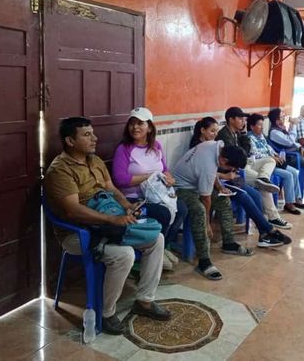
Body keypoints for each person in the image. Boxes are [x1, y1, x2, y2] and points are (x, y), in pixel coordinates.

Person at [44, 117, 171, 335]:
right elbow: (73, 211)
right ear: (70, 141)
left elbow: (111, 188)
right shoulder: (60, 170)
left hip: (107, 223)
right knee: (125, 255)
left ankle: (145, 300)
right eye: (87, 135)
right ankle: (106, 312)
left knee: (156, 239)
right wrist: (112, 220)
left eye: (93, 133)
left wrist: (127, 207)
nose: (94, 138)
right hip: (79, 233)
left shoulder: (94, 161)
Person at [173, 141, 289, 281]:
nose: (232, 171)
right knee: (199, 211)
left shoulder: (216, 146)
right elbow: (205, 198)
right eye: (231, 168)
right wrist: (207, 224)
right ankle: (204, 261)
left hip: (196, 184)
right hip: (182, 188)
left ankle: (228, 243)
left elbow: (212, 174)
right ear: (224, 160)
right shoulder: (208, 164)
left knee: (224, 200)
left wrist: (220, 188)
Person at [112, 107, 188, 270]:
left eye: (140, 123)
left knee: (182, 208)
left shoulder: (156, 146)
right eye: (132, 123)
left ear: (150, 128)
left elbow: (165, 169)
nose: (135, 127)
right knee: (163, 213)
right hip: (134, 200)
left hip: (157, 195)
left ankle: (163, 247)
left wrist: (169, 178)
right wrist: (149, 176)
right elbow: (120, 179)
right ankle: (149, 255)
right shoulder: (124, 149)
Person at [191, 117, 296, 229]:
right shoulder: (203, 147)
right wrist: (225, 176)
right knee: (251, 194)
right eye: (212, 131)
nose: (216, 134)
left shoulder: (226, 138)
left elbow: (241, 154)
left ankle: (263, 180)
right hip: (222, 179)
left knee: (267, 168)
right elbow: (211, 170)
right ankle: (267, 225)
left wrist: (243, 136)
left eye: (216, 131)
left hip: (232, 173)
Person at [247, 113, 304, 221]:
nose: (262, 127)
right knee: (288, 175)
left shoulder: (261, 136)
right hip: (263, 165)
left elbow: (268, 148)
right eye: (259, 125)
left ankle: (297, 199)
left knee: (294, 171)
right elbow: (254, 154)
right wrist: (271, 157)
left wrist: (275, 154)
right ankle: (289, 203)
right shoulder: (249, 138)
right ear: (251, 126)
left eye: (262, 125)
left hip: (272, 162)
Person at [216, 106, 279, 193]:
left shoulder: (237, 132)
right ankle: (262, 181)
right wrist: (243, 139)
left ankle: (263, 177)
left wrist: (243, 133)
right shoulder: (224, 135)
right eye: (240, 119)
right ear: (231, 120)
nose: (243, 122)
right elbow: (238, 157)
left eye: (244, 119)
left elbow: (246, 150)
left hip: (246, 162)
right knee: (263, 185)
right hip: (236, 168)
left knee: (270, 160)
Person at [267, 107, 304, 199]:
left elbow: (293, 142)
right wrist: (293, 125)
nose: (284, 118)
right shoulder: (274, 132)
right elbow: (289, 141)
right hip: (290, 157)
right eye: (282, 117)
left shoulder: (282, 128)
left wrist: (299, 147)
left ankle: (301, 185)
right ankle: (300, 189)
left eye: (284, 116)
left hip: (297, 153)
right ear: (277, 120)